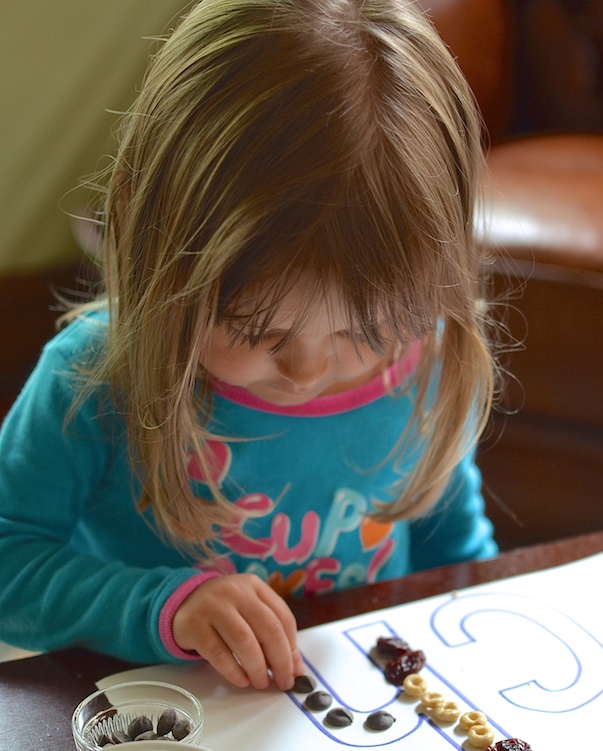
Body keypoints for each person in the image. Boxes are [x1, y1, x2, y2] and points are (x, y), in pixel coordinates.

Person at [0, 0, 499, 691]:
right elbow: (9, 562)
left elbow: (456, 556)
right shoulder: (93, 376)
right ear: (159, 261)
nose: (309, 369)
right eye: (257, 330)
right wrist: (166, 608)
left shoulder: (429, 362)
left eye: (368, 330)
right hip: (158, 736)